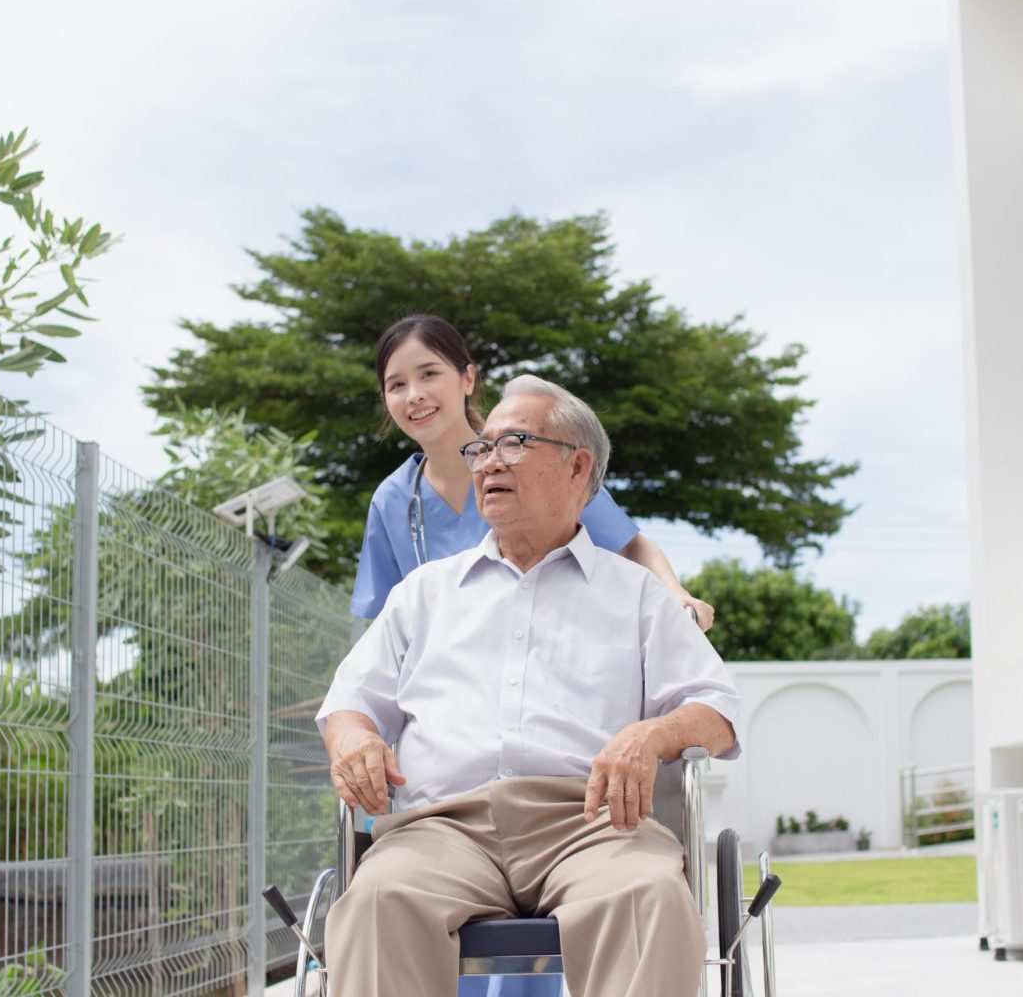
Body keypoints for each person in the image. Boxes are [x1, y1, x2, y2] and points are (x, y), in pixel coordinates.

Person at [317, 375, 740, 997]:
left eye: (512, 444)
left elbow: (717, 711)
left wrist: (656, 733)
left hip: (593, 825)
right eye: (481, 449)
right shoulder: (424, 595)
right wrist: (353, 739)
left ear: (577, 468)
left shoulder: (637, 595)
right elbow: (349, 703)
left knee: (649, 898)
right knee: (378, 900)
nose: (488, 463)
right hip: (442, 828)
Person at [351, 313, 715, 631]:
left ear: (468, 379)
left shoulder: (535, 454)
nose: (414, 394)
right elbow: (384, 620)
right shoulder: (392, 500)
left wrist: (677, 595)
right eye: (396, 385)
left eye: (429, 374)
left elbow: (629, 545)